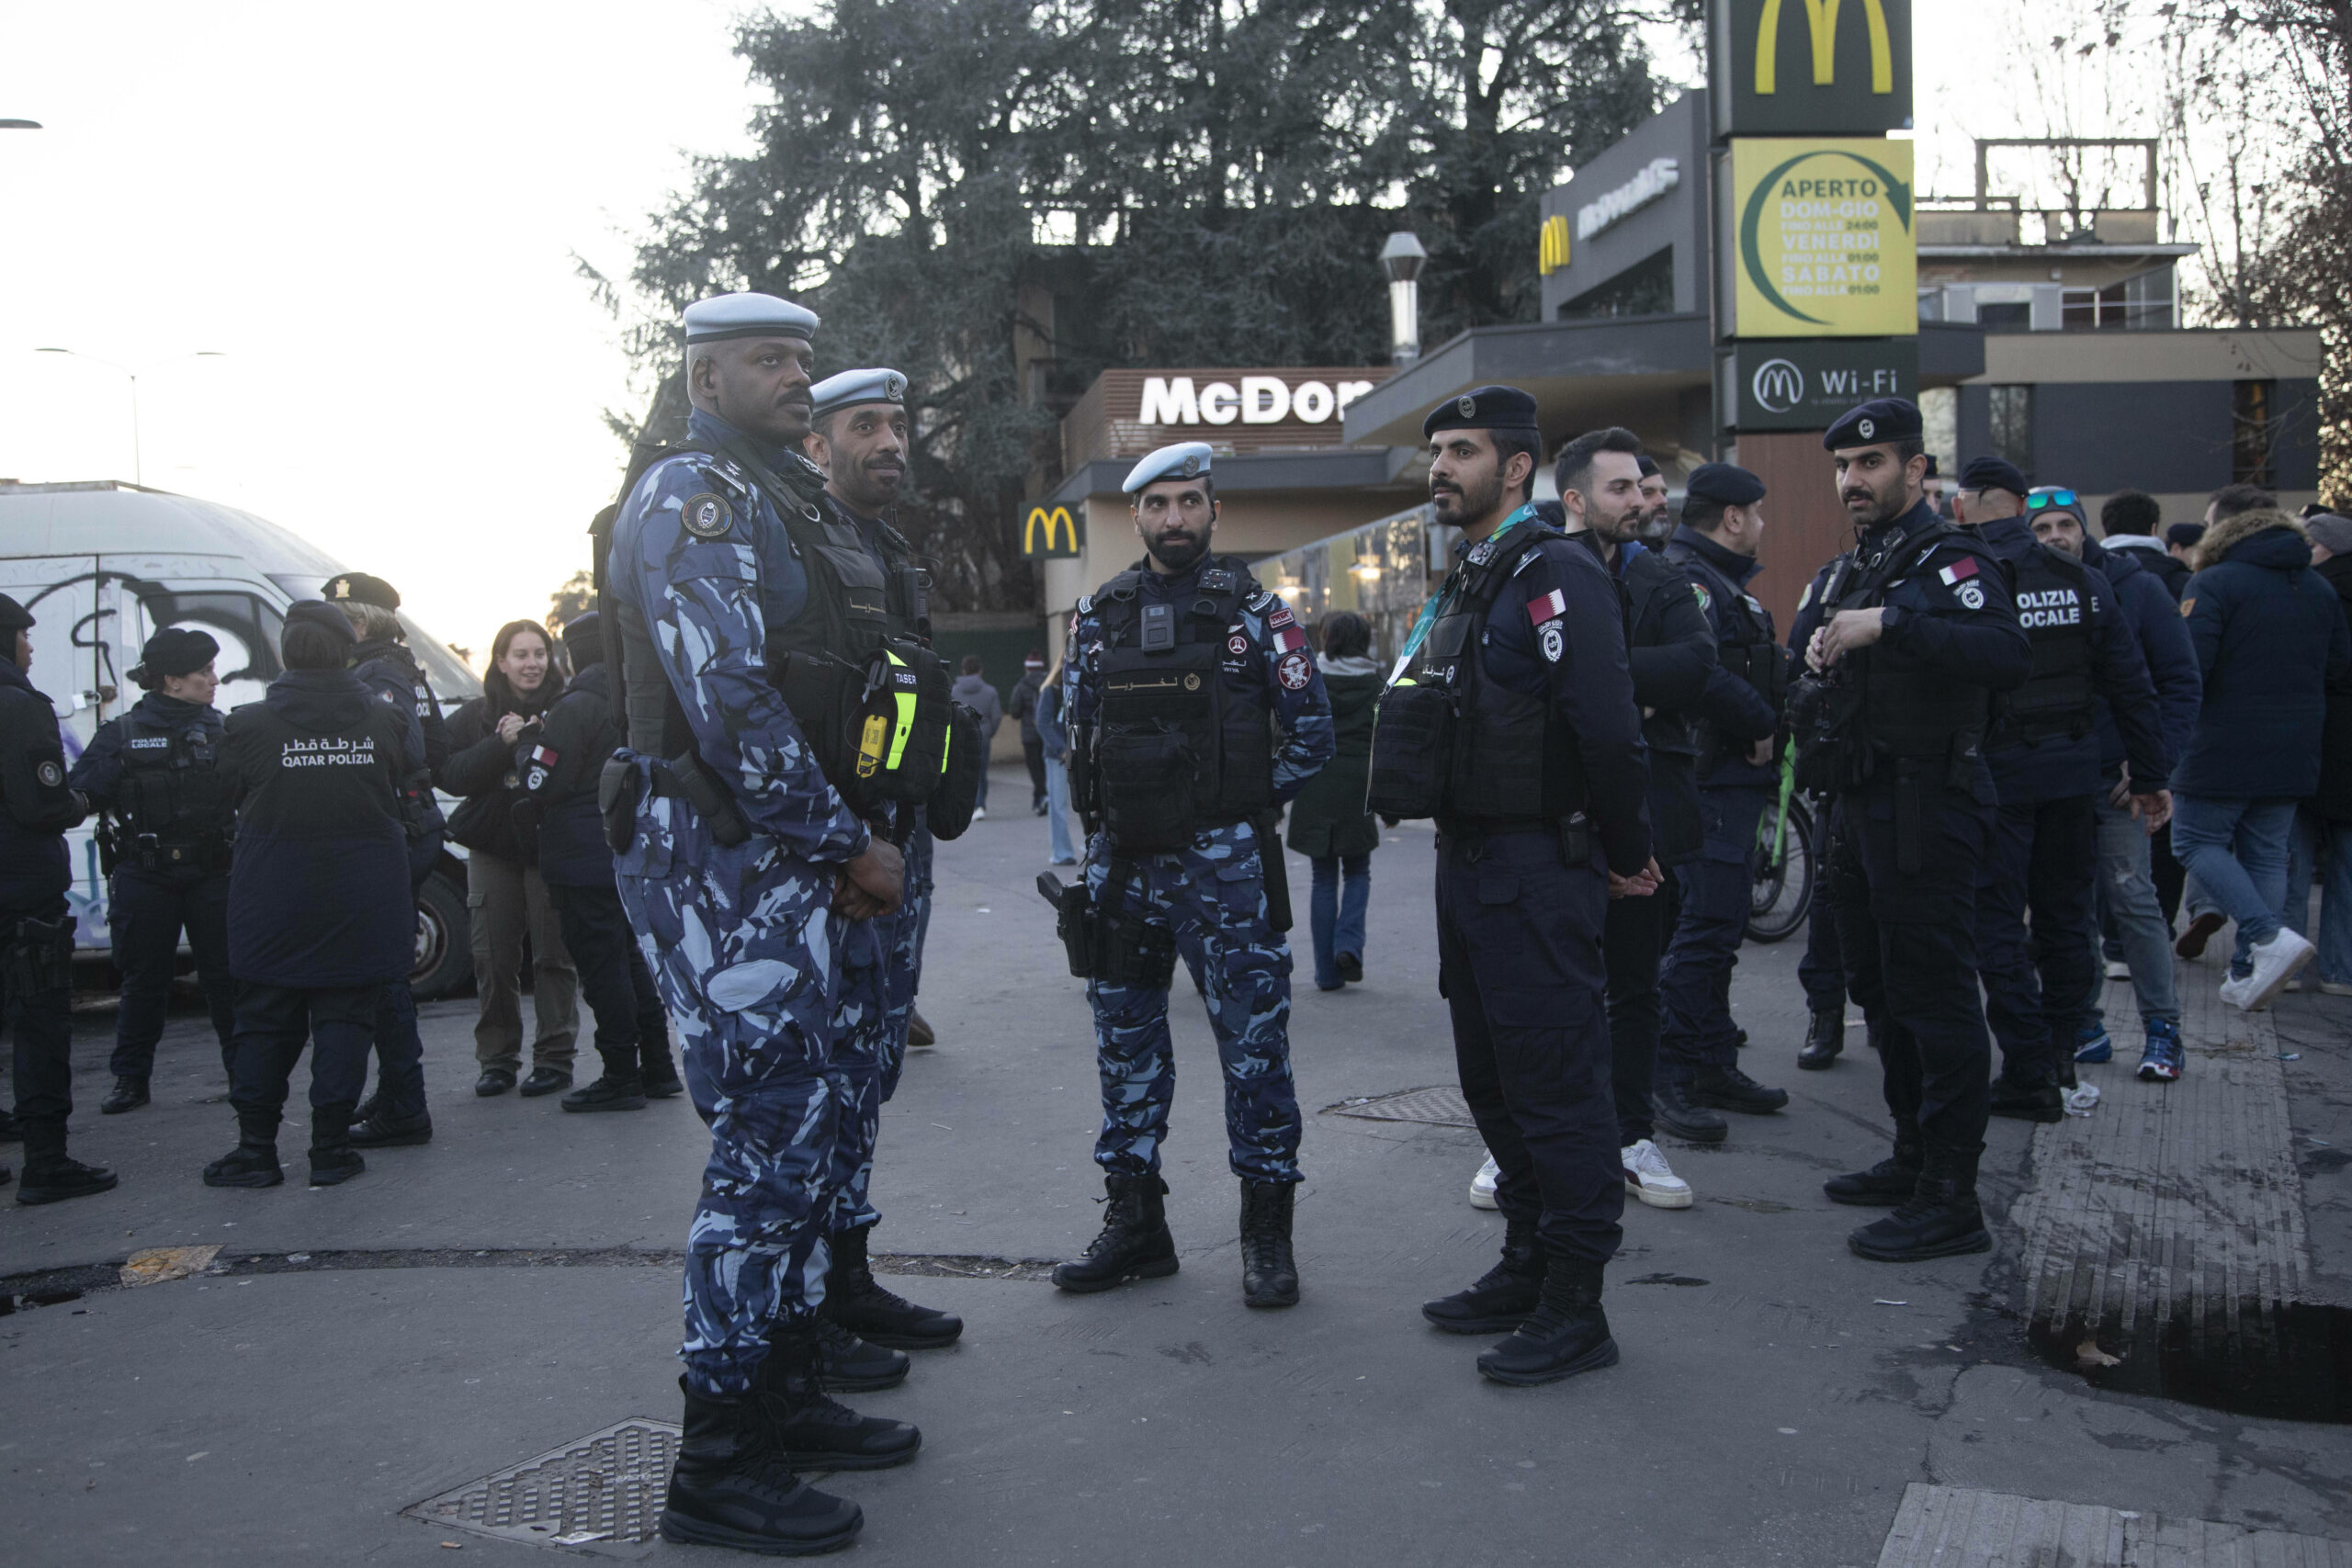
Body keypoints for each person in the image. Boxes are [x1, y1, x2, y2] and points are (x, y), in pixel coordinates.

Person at [605, 292, 918, 1555]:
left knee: (808, 1121)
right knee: (767, 1138)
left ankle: (781, 1384)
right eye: (767, 360)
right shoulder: (696, 494)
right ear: (704, 374)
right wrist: (846, 844)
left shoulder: (776, 490)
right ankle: (719, 1454)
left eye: (800, 356)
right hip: (721, 859)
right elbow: (727, 698)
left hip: (778, 855)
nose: (797, 376)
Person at [1380, 388, 1655, 1386]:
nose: (1440, 467)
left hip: (1543, 865)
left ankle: (1577, 1304)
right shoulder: (1476, 573)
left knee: (1558, 1086)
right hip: (1474, 863)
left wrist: (1628, 851)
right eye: (1436, 452)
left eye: (1461, 450)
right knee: (1494, 1078)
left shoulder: (1556, 571)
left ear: (1516, 468)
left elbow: (1609, 728)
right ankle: (1527, 1260)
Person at [1051, 438, 1334, 1311]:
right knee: (1124, 1045)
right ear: (1135, 515)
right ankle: (1137, 1222)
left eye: (1189, 502)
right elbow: (1074, 733)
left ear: (1216, 510)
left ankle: (1266, 1232)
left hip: (1227, 871)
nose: (1174, 518)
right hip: (1124, 871)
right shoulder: (1099, 616)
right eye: (1158, 504)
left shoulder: (1258, 615)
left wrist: (1236, 801)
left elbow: (1314, 734)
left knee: (1254, 1051)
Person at [1786, 398, 2030, 1263]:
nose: (1854, 481)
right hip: (1859, 803)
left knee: (1933, 994)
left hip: (1929, 802)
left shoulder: (1951, 556)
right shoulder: (1863, 562)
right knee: (1880, 991)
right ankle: (1914, 1153)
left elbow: (2005, 652)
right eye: (1845, 469)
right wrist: (1823, 649)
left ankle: (1951, 1197)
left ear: (1916, 470)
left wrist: (1888, 624)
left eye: (1872, 464)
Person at [799, 365, 965, 1365]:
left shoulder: (890, 551)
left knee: (866, 1073)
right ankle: (810, 1300)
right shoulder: (802, 550)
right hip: (841, 854)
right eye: (867, 427)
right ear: (817, 446)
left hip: (901, 846)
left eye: (899, 427)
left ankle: (848, 1276)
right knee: (819, 1078)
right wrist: (844, 844)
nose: (892, 443)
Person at [1944, 468, 2171, 1111]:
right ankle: (2064, 1051)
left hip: (1998, 779)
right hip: (2074, 777)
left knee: (1996, 923)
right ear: (2021, 506)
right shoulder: (2083, 580)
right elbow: (2133, 684)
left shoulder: (1967, 576)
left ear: (1964, 506)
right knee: (2066, 921)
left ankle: (2028, 1064)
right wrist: (2151, 775)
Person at [203, 603, 418, 1190]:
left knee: (264, 1022)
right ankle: (329, 1151)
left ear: (286, 652)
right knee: (346, 1020)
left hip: (275, 894)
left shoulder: (246, 725)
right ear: (344, 651)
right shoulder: (384, 721)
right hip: (361, 894)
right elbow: (413, 770)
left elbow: (216, 795)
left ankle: (256, 1150)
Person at [2029, 496, 2202, 1076]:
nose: (2055, 536)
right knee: (2064, 908)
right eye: (2043, 527)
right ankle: (2086, 1024)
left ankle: (2163, 1030)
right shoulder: (2018, 588)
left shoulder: (2136, 587)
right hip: (2050, 780)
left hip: (2114, 780)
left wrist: (2151, 765)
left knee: (2132, 900)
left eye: (2065, 525)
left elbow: (2179, 683)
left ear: (2084, 530)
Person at [1657, 462, 1788, 1201]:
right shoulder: (1694, 581)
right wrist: (1761, 718)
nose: (1762, 528)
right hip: (1710, 783)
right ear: (1733, 517)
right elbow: (1700, 672)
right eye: (1758, 516)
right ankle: (1670, 1073)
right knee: (1702, 928)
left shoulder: (1711, 577)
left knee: (1721, 926)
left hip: (1729, 785)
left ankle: (1709, 1058)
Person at [2167, 491, 2349, 1010]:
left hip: (2222, 742)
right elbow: (2338, 667)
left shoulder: (2213, 582)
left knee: (2195, 842)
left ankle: (2268, 937)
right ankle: (2249, 969)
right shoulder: (2317, 587)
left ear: (2225, 529)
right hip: (2296, 744)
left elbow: (2190, 667)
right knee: (2268, 855)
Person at [513, 611, 681, 1112]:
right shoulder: (633, 700)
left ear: (571, 655)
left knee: (604, 971)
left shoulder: (574, 707)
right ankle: (657, 1066)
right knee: (630, 962)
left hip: (580, 859)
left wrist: (525, 743)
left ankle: (620, 1075)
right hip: (626, 850)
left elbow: (541, 783)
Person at [68, 627, 238, 1114]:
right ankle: (130, 1080)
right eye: (203, 671)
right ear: (171, 681)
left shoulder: (225, 731)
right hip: (147, 874)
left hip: (213, 873)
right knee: (143, 982)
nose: (214, 679)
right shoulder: (120, 735)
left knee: (226, 980)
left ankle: (245, 1073)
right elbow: (80, 796)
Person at [0, 592, 112, 1204]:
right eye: (24, 636)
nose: (31, 647)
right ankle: (46, 1159)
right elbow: (42, 804)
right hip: (21, 892)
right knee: (40, 1023)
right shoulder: (20, 707)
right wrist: (82, 802)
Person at [326, 577, 445, 1148]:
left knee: (384, 973)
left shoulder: (376, 674)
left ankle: (404, 1104)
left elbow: (409, 751)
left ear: (359, 623)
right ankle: (397, 1092)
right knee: (385, 969)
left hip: (400, 824)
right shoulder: (402, 668)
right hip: (413, 820)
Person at [438, 618, 580, 1097]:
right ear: (500, 662)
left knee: (554, 958)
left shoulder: (566, 710)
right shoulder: (476, 716)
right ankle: (497, 1060)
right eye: (520, 655)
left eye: (539, 653)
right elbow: (452, 775)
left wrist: (536, 741)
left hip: (551, 849)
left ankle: (555, 1059)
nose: (531, 664)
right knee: (492, 958)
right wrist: (501, 745)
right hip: (492, 849)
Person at [1285, 611, 1381, 992]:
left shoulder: (1310, 679)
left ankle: (1327, 972)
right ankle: (1349, 945)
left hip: (1316, 781)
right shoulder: (1376, 684)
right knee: (1358, 871)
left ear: (1326, 639)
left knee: (1322, 878)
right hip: (1360, 784)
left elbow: (1288, 729)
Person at [2305, 512, 2352, 995]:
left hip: (2313, 737)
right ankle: (2343, 970)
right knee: (2349, 863)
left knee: (2293, 856)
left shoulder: (2312, 592)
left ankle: (2290, 967)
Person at [1036, 655, 1077, 865]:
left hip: (1074, 752)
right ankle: (1061, 852)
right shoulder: (1050, 692)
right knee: (1059, 806)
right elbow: (1043, 724)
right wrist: (1062, 749)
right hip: (1058, 756)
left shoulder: (1078, 690)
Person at [951, 655, 1003, 818]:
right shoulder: (990, 691)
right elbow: (996, 717)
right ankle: (980, 805)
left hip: (961, 736)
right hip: (983, 736)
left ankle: (968, 806)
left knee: (963, 771)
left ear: (963, 670)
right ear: (980, 671)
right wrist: (989, 732)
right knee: (981, 773)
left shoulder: (954, 691)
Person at [1011, 650, 1049, 815]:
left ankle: (1041, 796)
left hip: (1029, 735)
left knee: (1035, 768)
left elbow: (1015, 712)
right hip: (1047, 733)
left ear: (1027, 668)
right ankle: (1043, 796)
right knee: (1045, 767)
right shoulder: (1050, 683)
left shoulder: (1021, 686)